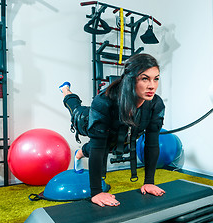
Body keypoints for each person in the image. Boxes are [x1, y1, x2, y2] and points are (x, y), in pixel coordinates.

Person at [59, 53, 166, 207]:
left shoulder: (156, 104)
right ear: (131, 79)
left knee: (110, 143)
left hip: (116, 132)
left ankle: (80, 152)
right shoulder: (104, 102)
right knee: (76, 110)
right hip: (90, 119)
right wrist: (96, 192)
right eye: (145, 78)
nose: (152, 86)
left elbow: (152, 144)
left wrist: (149, 182)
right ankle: (66, 90)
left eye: (156, 78)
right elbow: (97, 148)